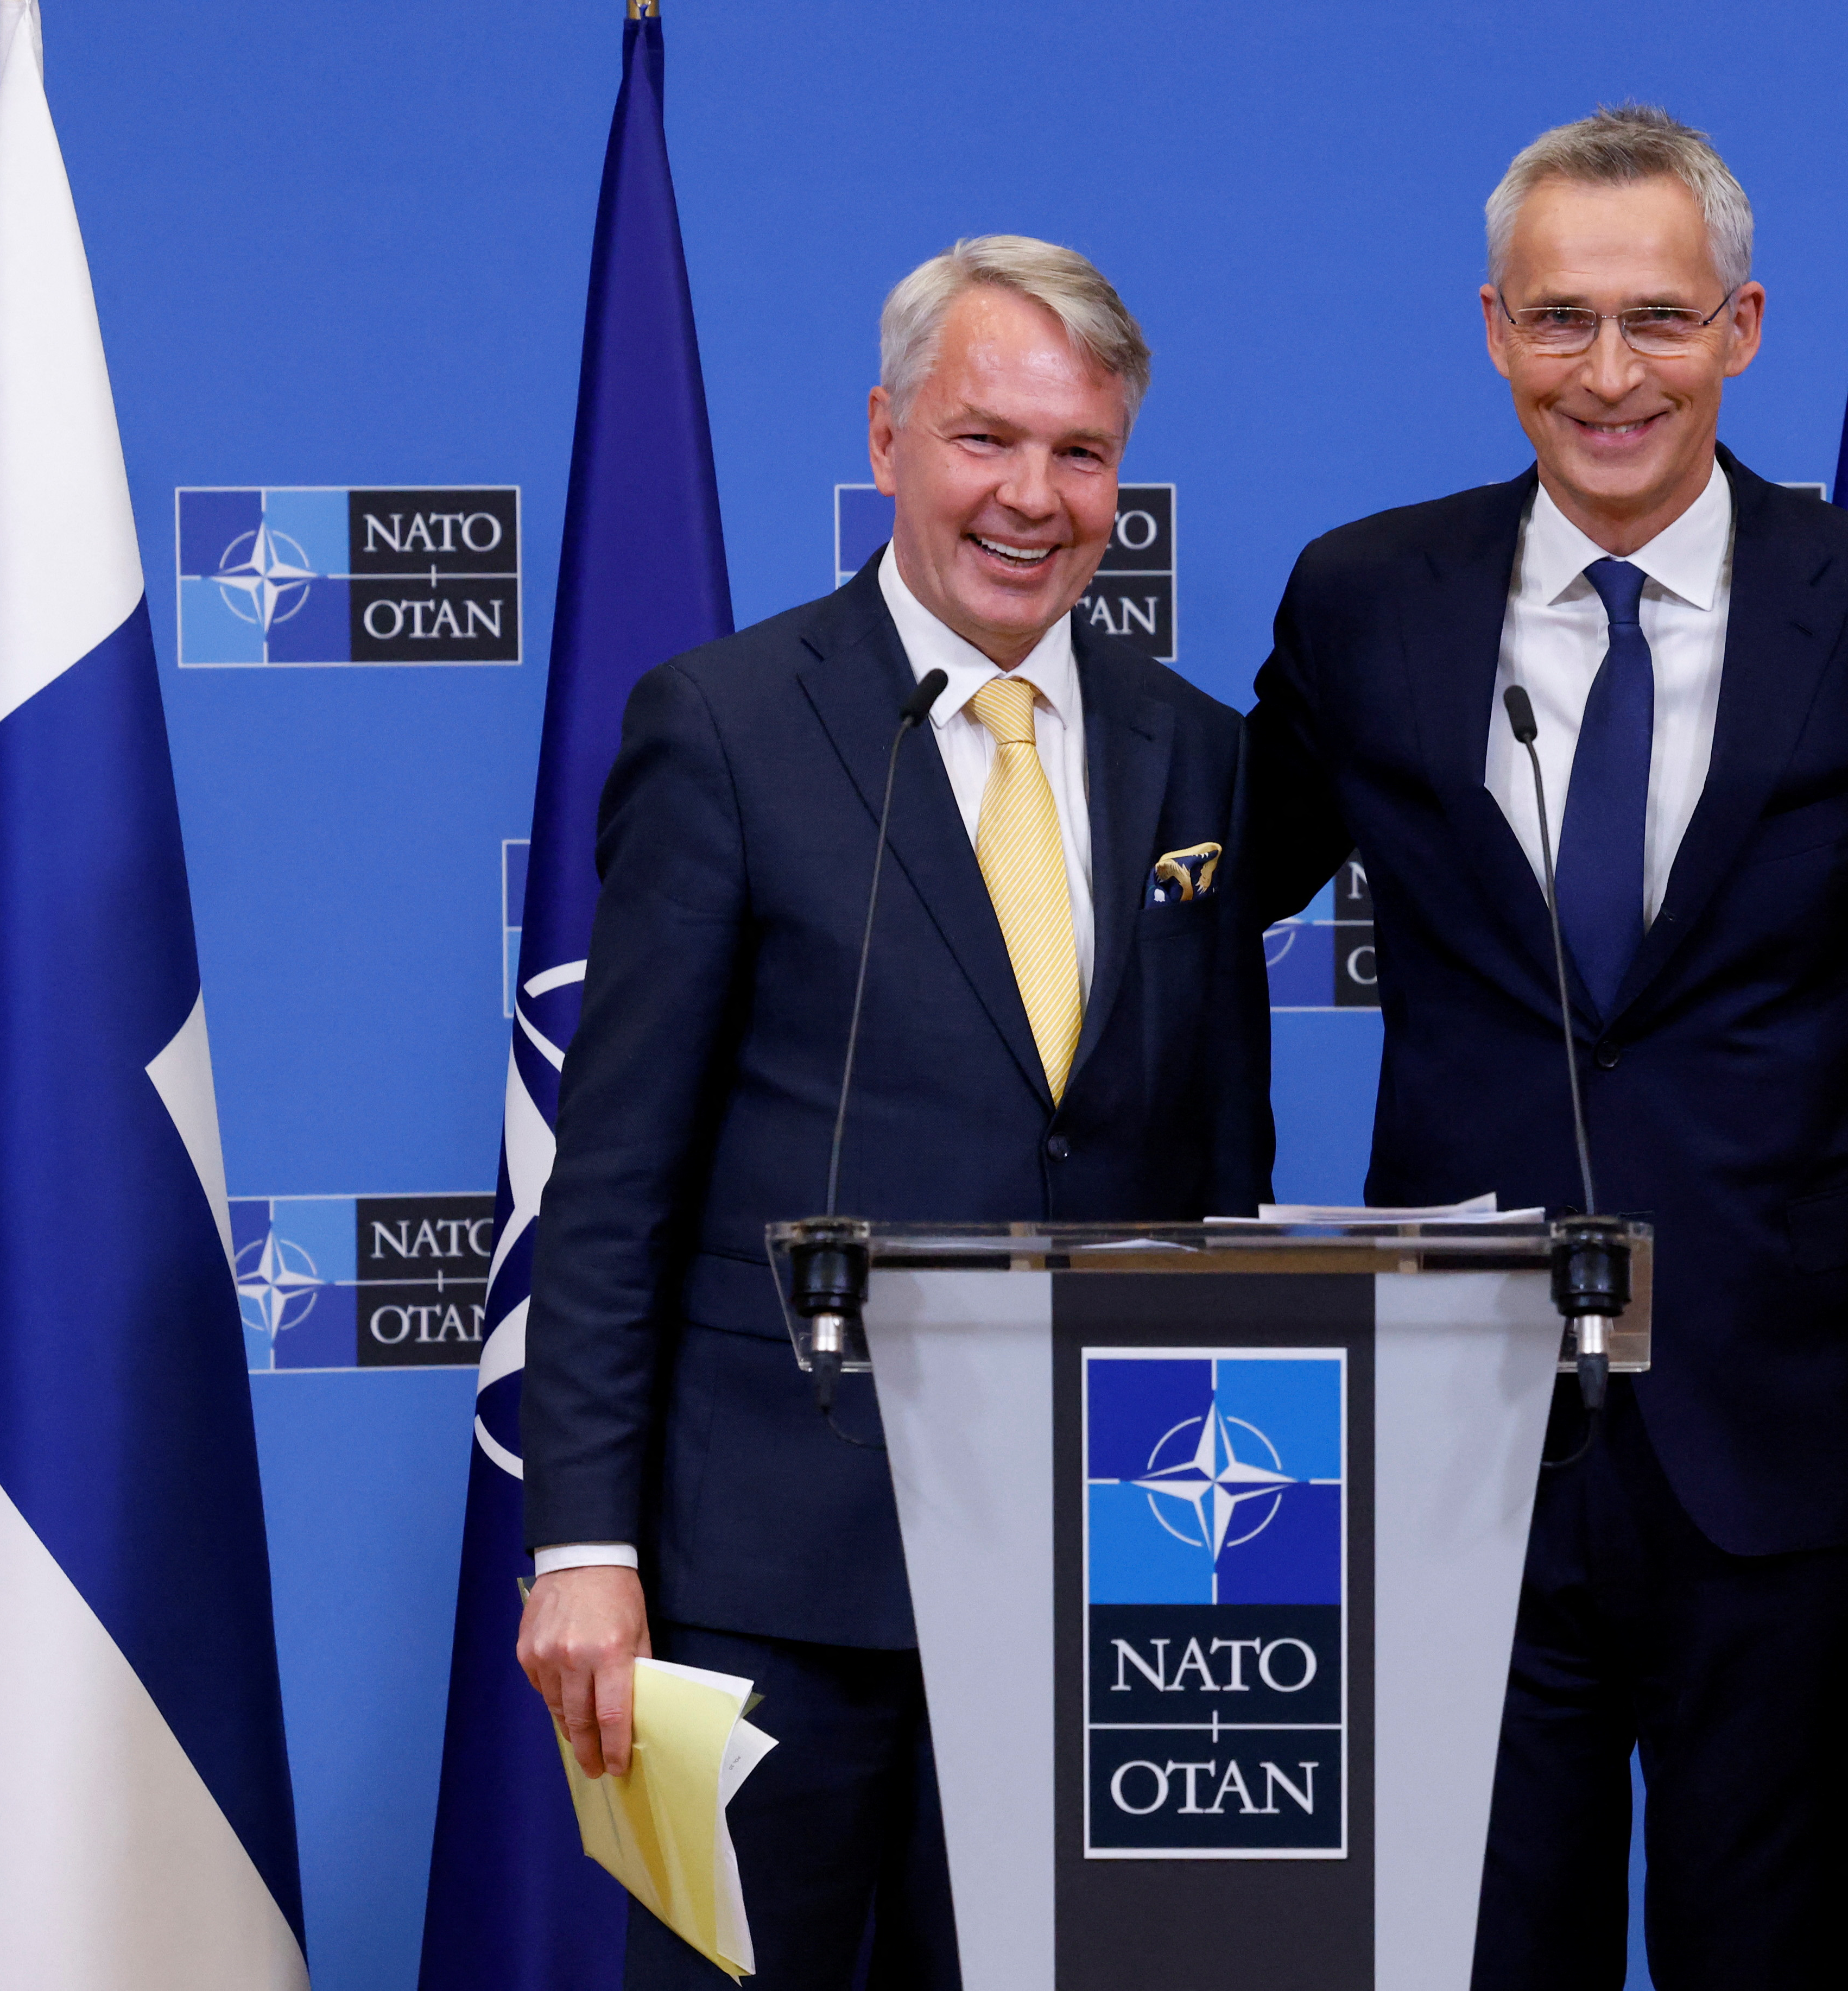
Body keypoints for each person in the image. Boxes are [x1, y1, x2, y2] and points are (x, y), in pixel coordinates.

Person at [1245, 106, 1848, 1987]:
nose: (1610, 376)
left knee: (1768, 1952)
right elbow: (1190, 916)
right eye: (1561, 320)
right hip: (1454, 1433)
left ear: (1742, 327)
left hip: (1783, 1432)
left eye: (1659, 321)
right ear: (1496, 329)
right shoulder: (1365, 598)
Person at [515, 236, 1270, 1989]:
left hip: (1107, 1568)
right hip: (774, 1570)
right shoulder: (720, 726)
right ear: (885, 439)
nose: (1034, 497)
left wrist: (1229, 1551)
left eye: (1081, 453)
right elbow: (613, 1178)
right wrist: (586, 1545)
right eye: (984, 440)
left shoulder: (1196, 754)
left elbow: (1221, 1172)